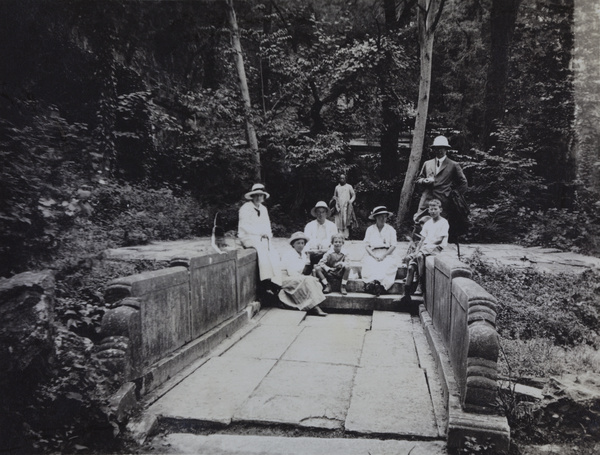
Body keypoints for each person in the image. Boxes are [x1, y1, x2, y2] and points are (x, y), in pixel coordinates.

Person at [238, 183, 282, 297]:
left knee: (273, 252)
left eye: (260, 196)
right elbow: (244, 226)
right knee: (262, 250)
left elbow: (267, 226)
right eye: (256, 195)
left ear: (263, 197)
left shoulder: (263, 209)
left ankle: (275, 283)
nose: (258, 198)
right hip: (248, 236)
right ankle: (265, 283)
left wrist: (267, 234)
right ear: (252, 196)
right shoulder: (245, 208)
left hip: (260, 237)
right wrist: (259, 234)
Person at [414, 135, 468, 223]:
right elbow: (419, 179)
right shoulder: (427, 163)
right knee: (420, 225)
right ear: (434, 149)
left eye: (442, 148)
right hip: (426, 202)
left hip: (443, 203)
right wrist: (424, 181)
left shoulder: (453, 165)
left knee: (439, 227)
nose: (439, 150)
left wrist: (452, 195)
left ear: (446, 149)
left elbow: (463, 183)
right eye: (437, 148)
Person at [404, 199, 448, 298]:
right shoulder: (428, 223)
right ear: (428, 210)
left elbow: (440, 239)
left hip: (436, 247)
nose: (433, 211)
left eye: (435, 209)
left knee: (419, 256)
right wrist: (417, 249)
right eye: (431, 209)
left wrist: (425, 247)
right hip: (426, 248)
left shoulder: (444, 222)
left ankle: (420, 283)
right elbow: (422, 239)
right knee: (409, 259)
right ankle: (406, 293)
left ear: (440, 210)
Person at [278, 232, 328, 316]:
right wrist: (305, 277)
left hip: (296, 277)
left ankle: (311, 305)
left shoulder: (303, 255)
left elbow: (302, 271)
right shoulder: (289, 255)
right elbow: (291, 272)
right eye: (298, 243)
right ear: (293, 244)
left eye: (302, 243)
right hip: (286, 278)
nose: (301, 245)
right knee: (308, 280)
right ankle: (315, 308)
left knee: (315, 282)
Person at [361, 206, 398, 297]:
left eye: (385, 216)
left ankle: (381, 286)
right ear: (376, 217)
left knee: (387, 265)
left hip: (387, 253)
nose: (383, 219)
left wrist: (384, 255)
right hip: (373, 253)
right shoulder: (370, 229)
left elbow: (393, 245)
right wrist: (373, 255)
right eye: (380, 216)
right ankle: (372, 284)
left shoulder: (390, 229)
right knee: (370, 263)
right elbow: (366, 245)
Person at [303, 200, 338, 273]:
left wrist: (326, 250)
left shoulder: (332, 226)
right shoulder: (309, 226)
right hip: (313, 253)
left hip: (328, 253)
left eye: (323, 212)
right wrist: (315, 248)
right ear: (315, 213)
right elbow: (307, 241)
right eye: (318, 212)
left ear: (326, 213)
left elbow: (334, 241)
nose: (320, 214)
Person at [330, 174, 357, 239]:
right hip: (339, 207)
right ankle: (339, 236)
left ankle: (346, 236)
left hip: (346, 207)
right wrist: (336, 205)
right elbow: (335, 197)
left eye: (343, 178)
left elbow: (353, 195)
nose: (342, 180)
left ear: (345, 179)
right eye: (341, 178)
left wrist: (350, 201)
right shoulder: (337, 187)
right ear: (339, 179)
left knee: (346, 221)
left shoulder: (349, 186)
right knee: (338, 222)